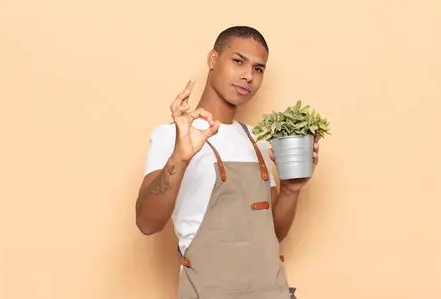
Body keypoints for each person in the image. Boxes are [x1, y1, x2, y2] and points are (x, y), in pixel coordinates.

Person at [135, 25, 321, 299]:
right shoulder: (173, 136)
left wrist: (292, 188)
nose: (248, 76)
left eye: (258, 69)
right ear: (213, 60)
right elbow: (146, 223)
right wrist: (181, 157)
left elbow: (272, 235)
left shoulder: (256, 142)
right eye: (238, 61)